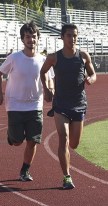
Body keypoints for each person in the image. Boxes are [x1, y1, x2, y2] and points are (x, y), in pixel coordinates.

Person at [40, 23, 96, 190]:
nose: (73, 38)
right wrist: (47, 90)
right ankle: (67, 177)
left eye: (75, 35)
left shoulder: (84, 56)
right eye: (69, 35)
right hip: (61, 105)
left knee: (74, 144)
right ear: (63, 37)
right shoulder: (54, 57)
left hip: (79, 104)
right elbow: (42, 72)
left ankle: (67, 172)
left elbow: (92, 73)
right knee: (63, 138)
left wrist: (91, 79)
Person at [0, 21, 47, 182]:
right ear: (22, 39)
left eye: (33, 37)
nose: (31, 40)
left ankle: (24, 171)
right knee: (17, 141)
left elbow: (49, 79)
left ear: (38, 38)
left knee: (33, 141)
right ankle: (12, 136)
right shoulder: (15, 58)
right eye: (27, 37)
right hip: (15, 105)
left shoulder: (43, 60)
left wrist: (51, 91)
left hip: (35, 105)